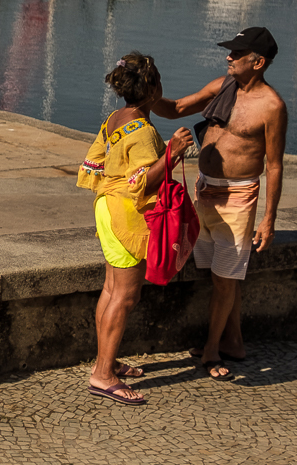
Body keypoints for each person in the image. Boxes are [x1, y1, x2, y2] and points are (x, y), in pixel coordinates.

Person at [152, 27, 288, 381]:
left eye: (236, 53)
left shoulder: (272, 107)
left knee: (225, 279)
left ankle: (211, 350)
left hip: (238, 198)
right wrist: (144, 96)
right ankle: (234, 341)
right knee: (222, 275)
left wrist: (269, 220)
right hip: (204, 191)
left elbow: (274, 166)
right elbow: (178, 108)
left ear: (257, 62)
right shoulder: (223, 86)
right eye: (229, 51)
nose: (228, 56)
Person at [78, 53, 192, 406]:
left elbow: (96, 161)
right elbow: (140, 182)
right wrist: (172, 152)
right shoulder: (142, 130)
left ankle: (105, 362)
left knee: (112, 290)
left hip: (106, 207)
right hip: (125, 214)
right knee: (126, 296)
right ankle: (103, 376)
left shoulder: (117, 118)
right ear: (153, 88)